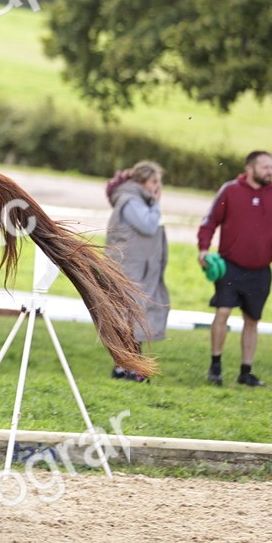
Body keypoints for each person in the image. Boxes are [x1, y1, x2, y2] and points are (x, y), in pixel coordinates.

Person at [197, 150, 272, 386]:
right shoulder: (230, 190)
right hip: (230, 266)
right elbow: (210, 222)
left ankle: (246, 372)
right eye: (265, 167)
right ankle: (215, 366)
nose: (270, 172)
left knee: (252, 320)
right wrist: (203, 249)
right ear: (250, 168)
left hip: (260, 270)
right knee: (223, 312)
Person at [104, 161, 169, 383]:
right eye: (154, 182)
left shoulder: (136, 199)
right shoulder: (131, 201)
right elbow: (148, 225)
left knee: (133, 317)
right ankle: (127, 368)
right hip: (129, 269)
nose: (157, 187)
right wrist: (156, 205)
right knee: (129, 317)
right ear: (141, 181)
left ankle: (129, 367)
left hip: (137, 269)